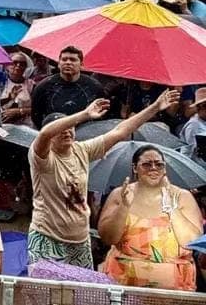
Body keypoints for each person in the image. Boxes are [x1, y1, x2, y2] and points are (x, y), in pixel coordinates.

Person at [27, 90, 180, 267]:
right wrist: (84, 114)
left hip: (79, 240)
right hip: (47, 237)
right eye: (61, 128)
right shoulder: (42, 158)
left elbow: (120, 132)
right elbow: (44, 134)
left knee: (81, 293)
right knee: (45, 292)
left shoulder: (81, 150)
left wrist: (154, 107)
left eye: (70, 128)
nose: (67, 131)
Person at [98, 144, 202, 290]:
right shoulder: (120, 194)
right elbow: (108, 238)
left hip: (174, 286)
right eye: (147, 164)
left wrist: (172, 208)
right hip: (124, 282)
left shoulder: (181, 196)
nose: (153, 168)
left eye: (159, 164)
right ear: (135, 168)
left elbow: (191, 242)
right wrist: (124, 207)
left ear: (164, 169)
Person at [29, 46, 106, 129]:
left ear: (81, 64)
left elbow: (102, 115)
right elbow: (36, 116)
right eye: (64, 59)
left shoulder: (94, 86)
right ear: (58, 64)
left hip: (86, 135)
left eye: (73, 60)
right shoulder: (43, 87)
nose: (68, 62)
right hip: (54, 133)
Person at [0, 52, 37, 126]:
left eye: (22, 64)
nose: (18, 66)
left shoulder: (31, 85)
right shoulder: (0, 82)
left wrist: (18, 111)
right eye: (14, 63)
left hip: (25, 126)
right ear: (7, 65)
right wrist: (9, 98)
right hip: (2, 125)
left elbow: (38, 108)